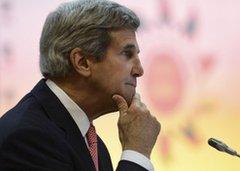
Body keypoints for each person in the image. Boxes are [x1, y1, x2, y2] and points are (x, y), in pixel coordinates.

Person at [0, 0, 161, 170]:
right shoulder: (29, 137)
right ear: (82, 62)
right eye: (127, 54)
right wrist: (137, 153)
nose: (139, 70)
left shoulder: (94, 146)